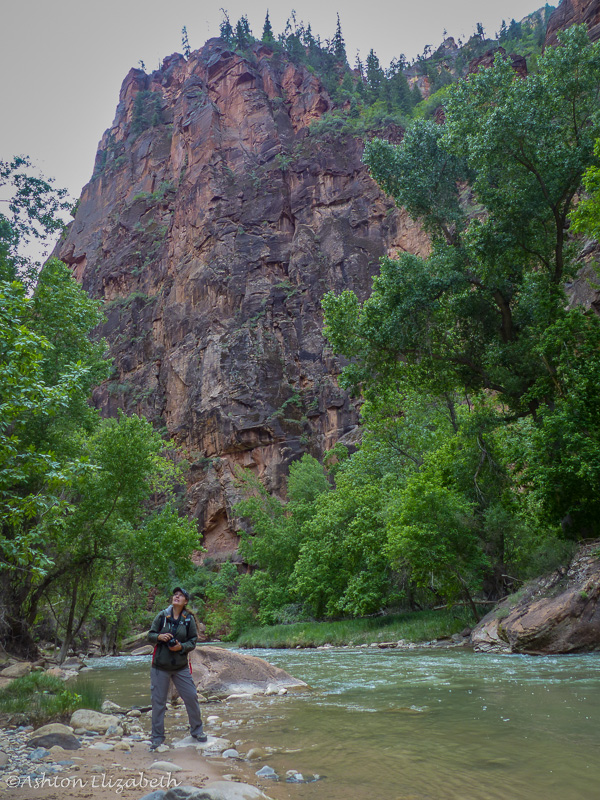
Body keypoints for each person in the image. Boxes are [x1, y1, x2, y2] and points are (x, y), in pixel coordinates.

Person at [147, 587, 207, 751]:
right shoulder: (162, 616)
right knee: (158, 702)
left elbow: (193, 641)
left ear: (185, 601)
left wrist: (181, 647)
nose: (177, 597)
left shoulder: (188, 620)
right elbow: (150, 635)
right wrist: (160, 637)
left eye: (180, 596)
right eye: (175, 594)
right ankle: (157, 737)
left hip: (180, 667)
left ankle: (197, 731)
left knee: (191, 697)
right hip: (160, 667)